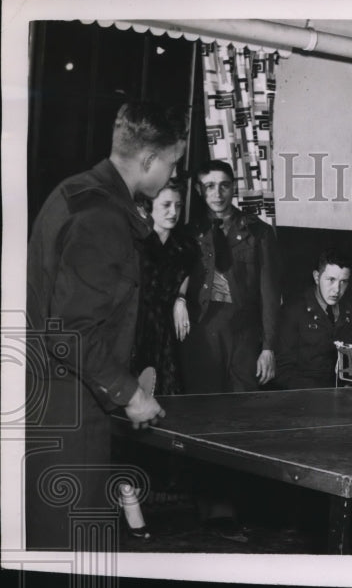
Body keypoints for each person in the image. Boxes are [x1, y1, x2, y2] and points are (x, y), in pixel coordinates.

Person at [25, 101, 184, 549]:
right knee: (71, 546)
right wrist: (129, 393)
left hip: (57, 397)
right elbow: (72, 331)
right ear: (149, 160)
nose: (173, 176)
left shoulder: (78, 191)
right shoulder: (101, 218)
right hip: (69, 406)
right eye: (172, 164)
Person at [181, 160, 280, 393]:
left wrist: (268, 348)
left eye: (224, 185)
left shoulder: (259, 232)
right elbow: (178, 278)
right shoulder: (189, 232)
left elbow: (270, 295)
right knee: (201, 405)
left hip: (243, 334)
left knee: (242, 407)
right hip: (202, 332)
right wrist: (179, 299)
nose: (218, 193)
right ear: (198, 189)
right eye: (210, 186)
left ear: (233, 187)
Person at [132, 177, 199, 394]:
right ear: (148, 207)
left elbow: (184, 274)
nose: (174, 212)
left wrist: (180, 298)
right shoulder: (133, 243)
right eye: (166, 205)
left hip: (165, 333)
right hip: (133, 331)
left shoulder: (185, 246)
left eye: (178, 206)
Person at [274, 250, 352, 389]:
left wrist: (350, 385)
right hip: (304, 396)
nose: (337, 290)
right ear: (317, 277)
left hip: (341, 397)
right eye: (331, 280)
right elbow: (283, 370)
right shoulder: (294, 311)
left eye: (343, 282)